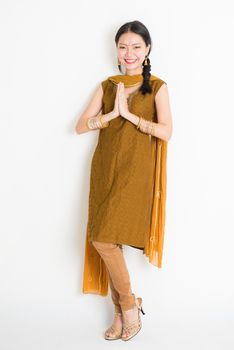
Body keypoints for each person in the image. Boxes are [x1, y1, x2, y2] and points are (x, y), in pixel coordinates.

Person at [76, 20, 173, 341]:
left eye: (136, 46)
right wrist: (111, 115)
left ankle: (128, 306)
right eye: (123, 46)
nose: (128, 53)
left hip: (136, 172)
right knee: (105, 239)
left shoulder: (157, 86)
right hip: (104, 168)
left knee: (103, 240)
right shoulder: (107, 85)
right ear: (116, 50)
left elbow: (166, 132)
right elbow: (80, 126)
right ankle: (123, 310)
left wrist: (131, 116)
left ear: (147, 50)